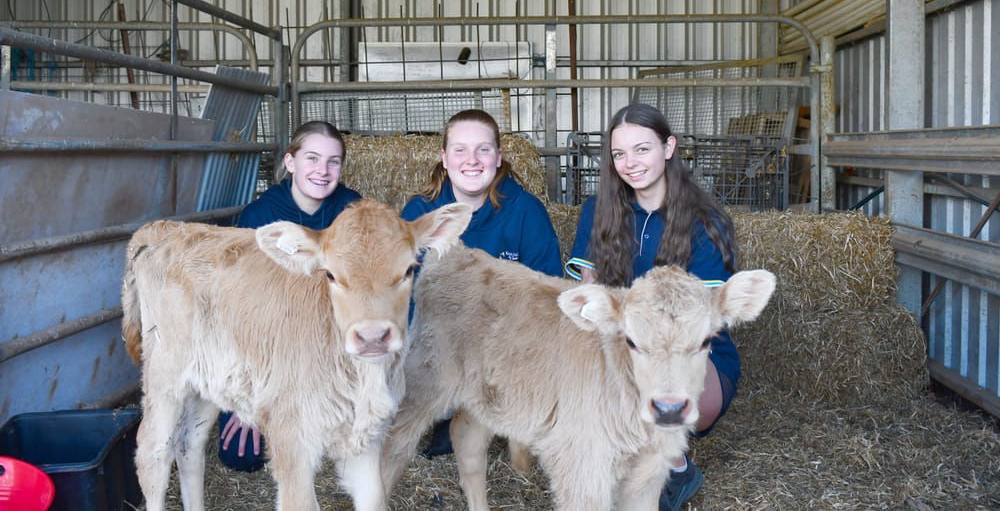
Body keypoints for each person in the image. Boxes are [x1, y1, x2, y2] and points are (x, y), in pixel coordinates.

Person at [568, 103, 740, 511]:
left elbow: (700, 313)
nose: (630, 163)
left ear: (668, 148)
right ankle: (654, 464)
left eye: (642, 149)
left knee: (662, 392)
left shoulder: (705, 219)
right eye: (619, 154)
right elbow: (588, 288)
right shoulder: (598, 210)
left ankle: (674, 469)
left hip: (690, 351)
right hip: (623, 343)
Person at [401, 109, 563, 456]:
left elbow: (546, 293)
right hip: (437, 346)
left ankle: (486, 412)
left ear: (498, 157)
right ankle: (449, 411)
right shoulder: (421, 213)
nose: (472, 160)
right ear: (445, 158)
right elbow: (403, 295)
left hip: (502, 347)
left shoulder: (526, 212)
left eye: (483, 150)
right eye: (460, 150)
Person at [219, 120, 362, 472]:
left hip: (331, 346)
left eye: (333, 161)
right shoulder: (259, 217)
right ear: (290, 161)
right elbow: (238, 309)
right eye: (312, 158)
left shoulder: (354, 212)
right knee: (241, 455)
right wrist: (246, 398)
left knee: (353, 441)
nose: (323, 170)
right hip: (271, 350)